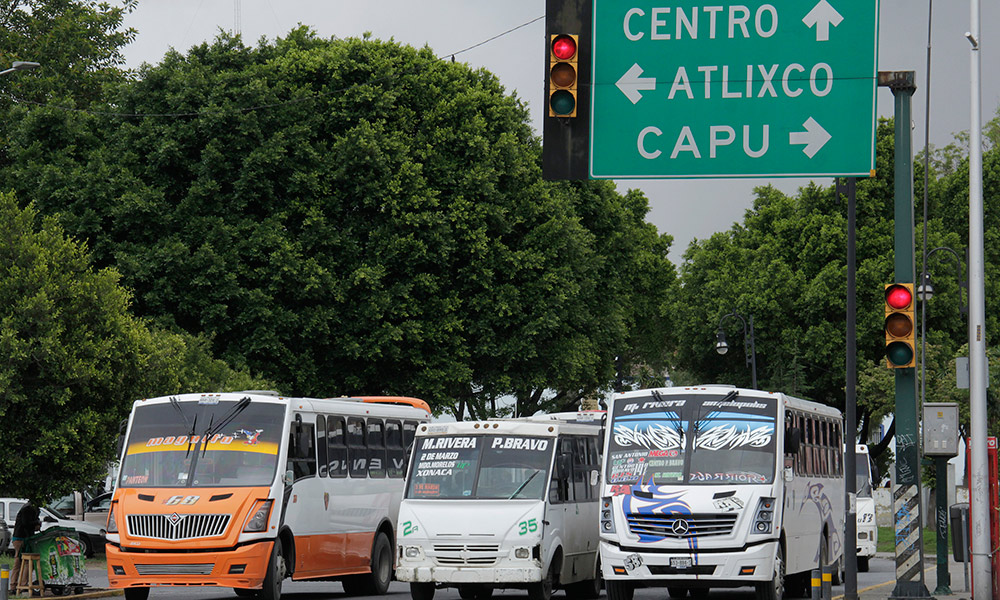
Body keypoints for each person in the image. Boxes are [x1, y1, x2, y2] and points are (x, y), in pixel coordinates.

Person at [10, 500, 42, 587]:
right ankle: (22, 584)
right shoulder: (27, 509)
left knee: (20, 562)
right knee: (25, 562)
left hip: (21, 537)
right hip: (21, 538)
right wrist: (37, 523)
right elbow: (26, 523)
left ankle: (15, 584)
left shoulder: (29, 508)